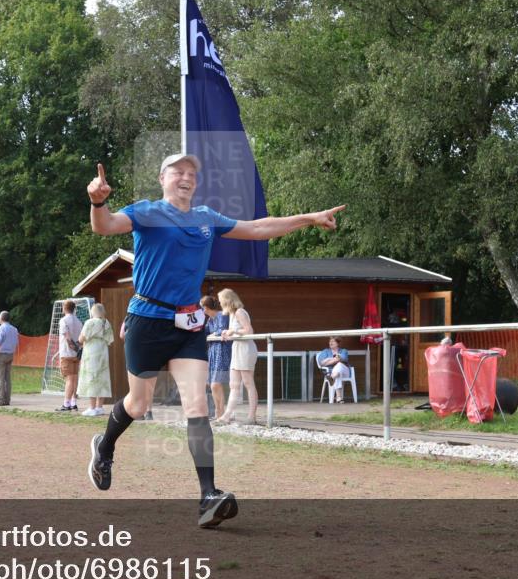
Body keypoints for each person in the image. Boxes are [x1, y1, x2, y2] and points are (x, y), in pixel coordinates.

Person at [85, 155, 343, 528]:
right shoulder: (147, 212)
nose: (186, 178)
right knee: (139, 404)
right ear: (163, 178)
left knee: (197, 406)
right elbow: (105, 226)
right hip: (147, 320)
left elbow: (257, 228)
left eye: (192, 174)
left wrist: (310, 218)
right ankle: (104, 446)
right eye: (178, 172)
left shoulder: (206, 217)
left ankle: (208, 495)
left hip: (189, 325)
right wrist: (98, 201)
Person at [216, 289, 258, 426]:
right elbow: (237, 333)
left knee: (248, 383)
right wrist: (227, 334)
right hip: (237, 348)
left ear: (227, 300)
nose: (220, 303)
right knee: (233, 385)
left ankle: (252, 416)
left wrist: (233, 331)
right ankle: (226, 416)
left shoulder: (240, 312)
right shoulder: (232, 314)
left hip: (246, 349)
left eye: (221, 300)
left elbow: (249, 331)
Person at [78, 303, 114, 416]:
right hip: (103, 352)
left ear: (93, 312)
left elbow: (81, 338)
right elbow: (110, 340)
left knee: (91, 377)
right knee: (102, 378)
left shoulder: (90, 322)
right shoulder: (106, 323)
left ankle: (92, 408)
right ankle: (100, 407)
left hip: (91, 352)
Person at [201, 295, 231, 420]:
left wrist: (213, 334)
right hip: (213, 352)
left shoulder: (221, 315)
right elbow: (205, 332)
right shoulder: (210, 320)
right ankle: (218, 413)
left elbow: (221, 331)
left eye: (202, 308)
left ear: (207, 308)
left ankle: (221, 412)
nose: (202, 310)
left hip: (222, 351)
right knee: (212, 384)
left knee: (215, 384)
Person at [57, 300, 83, 412]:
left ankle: (66, 404)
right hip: (76, 355)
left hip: (67, 353)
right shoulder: (79, 321)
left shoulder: (63, 321)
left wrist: (73, 347)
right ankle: (73, 402)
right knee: (74, 378)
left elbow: (67, 337)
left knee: (69, 379)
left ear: (64, 308)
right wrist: (78, 349)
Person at [0, 310, 19, 406]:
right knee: (8, 378)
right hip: (10, 354)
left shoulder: (0, 329)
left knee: (0, 379)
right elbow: (16, 343)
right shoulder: (14, 329)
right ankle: (7, 399)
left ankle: (0, 400)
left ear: (1, 318)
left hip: (1, 355)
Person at [317, 336, 351, 402]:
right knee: (337, 373)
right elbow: (321, 363)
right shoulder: (325, 351)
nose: (330, 343)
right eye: (330, 341)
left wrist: (328, 360)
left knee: (339, 365)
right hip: (334, 372)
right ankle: (339, 397)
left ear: (338, 343)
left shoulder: (343, 351)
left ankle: (332, 377)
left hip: (345, 371)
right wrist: (333, 359)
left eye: (333, 341)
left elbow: (342, 359)